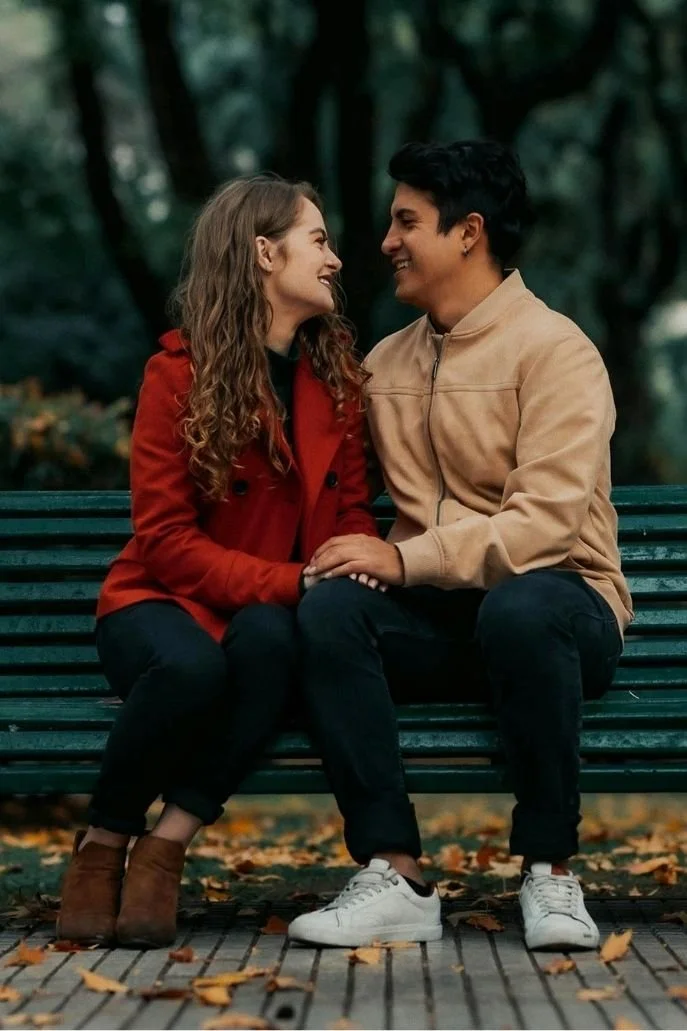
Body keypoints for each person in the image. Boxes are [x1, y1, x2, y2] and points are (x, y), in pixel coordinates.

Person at [288, 140, 633, 951]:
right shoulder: (385, 364)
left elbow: (544, 526)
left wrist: (403, 557)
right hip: (446, 619)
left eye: (406, 221)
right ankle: (394, 872)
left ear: (468, 232)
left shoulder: (557, 351)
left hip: (561, 609)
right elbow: (320, 479)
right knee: (332, 610)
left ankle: (550, 871)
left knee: (520, 607)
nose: (386, 241)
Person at [57, 174, 379, 949]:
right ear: (264, 252)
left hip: (266, 617)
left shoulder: (336, 382)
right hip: (156, 603)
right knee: (196, 668)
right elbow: (163, 539)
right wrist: (291, 579)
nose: (335, 259)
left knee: (271, 642)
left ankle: (166, 842)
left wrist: (356, 557)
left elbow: (354, 511)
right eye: (319, 240)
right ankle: (103, 844)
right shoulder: (176, 371)